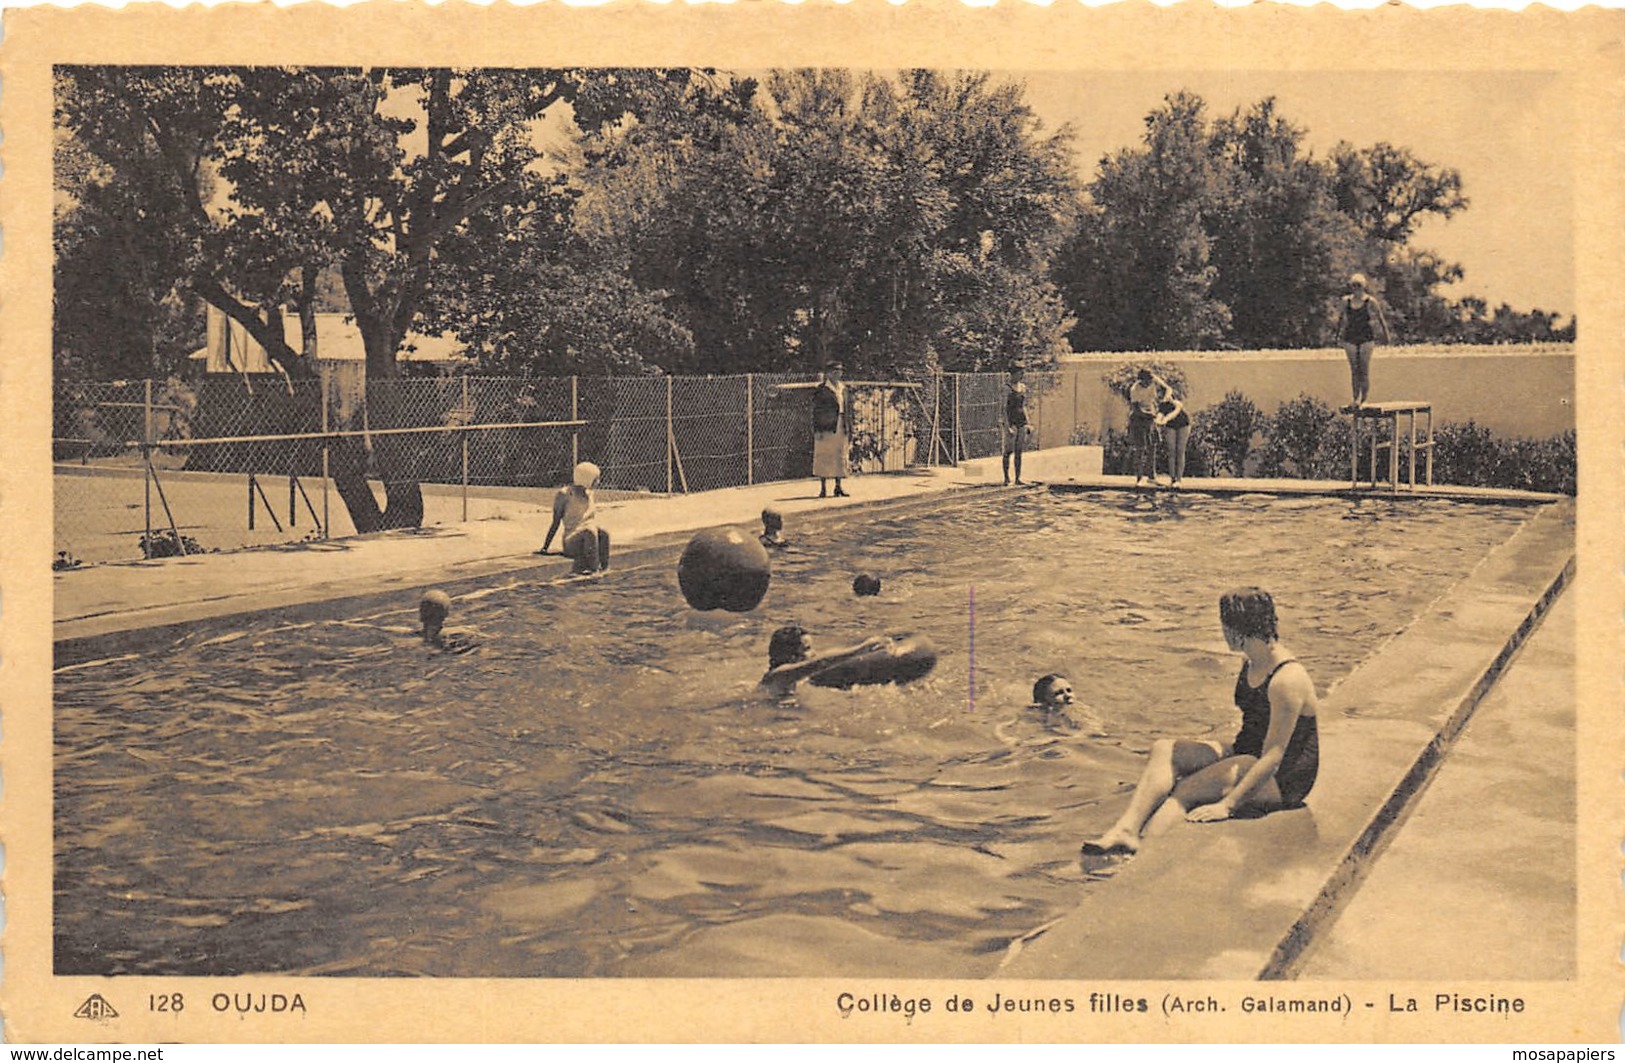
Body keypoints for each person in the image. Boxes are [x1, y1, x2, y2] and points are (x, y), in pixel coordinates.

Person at [1082, 587, 1319, 855]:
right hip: (1248, 753)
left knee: (1187, 789)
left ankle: (1144, 857)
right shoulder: (1252, 661)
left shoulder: (1286, 679)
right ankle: (1126, 829)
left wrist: (1227, 805)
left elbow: (1273, 756)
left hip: (1284, 779)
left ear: (1236, 630)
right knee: (1165, 749)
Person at [758, 625, 937, 696]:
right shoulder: (777, 677)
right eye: (807, 650)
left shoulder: (801, 683)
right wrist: (861, 648)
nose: (814, 653)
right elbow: (819, 662)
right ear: (789, 656)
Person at [538, 461, 611, 575]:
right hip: (571, 540)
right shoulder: (565, 494)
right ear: (587, 478)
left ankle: (605, 568)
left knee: (604, 532)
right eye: (596, 479)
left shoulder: (589, 494)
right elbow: (556, 521)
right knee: (589, 532)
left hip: (589, 539)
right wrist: (545, 547)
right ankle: (594, 570)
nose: (599, 482)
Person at [1338, 273, 1392, 407]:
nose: (1356, 289)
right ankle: (1355, 398)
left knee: (1364, 368)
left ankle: (1364, 399)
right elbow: (1341, 319)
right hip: (1350, 336)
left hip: (1366, 336)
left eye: (1359, 286)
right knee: (1354, 369)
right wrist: (1338, 335)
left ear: (1363, 287)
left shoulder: (1370, 301)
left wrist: (1386, 335)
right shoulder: (1346, 301)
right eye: (1354, 286)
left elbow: (1380, 318)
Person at [810, 361, 850, 498]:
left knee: (840, 454)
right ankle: (823, 488)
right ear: (827, 373)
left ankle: (838, 487)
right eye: (834, 371)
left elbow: (848, 409)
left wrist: (848, 427)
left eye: (839, 371)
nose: (837, 374)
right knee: (825, 455)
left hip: (841, 423)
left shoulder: (843, 388)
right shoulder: (822, 389)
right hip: (826, 426)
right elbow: (816, 411)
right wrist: (818, 430)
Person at [1126, 368, 1166, 488]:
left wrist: (1157, 412)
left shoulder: (1153, 384)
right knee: (1140, 449)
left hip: (1150, 418)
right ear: (1141, 380)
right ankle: (1139, 477)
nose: (1149, 383)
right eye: (1147, 380)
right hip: (1139, 418)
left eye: (1150, 380)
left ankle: (1151, 476)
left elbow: (1158, 396)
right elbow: (1136, 409)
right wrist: (1150, 415)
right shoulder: (1135, 389)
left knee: (1152, 446)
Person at [1155, 390, 1192, 488]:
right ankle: (1172, 478)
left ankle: (1179, 479)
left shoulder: (1177, 403)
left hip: (1183, 425)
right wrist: (1158, 421)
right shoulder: (1162, 405)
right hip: (1170, 426)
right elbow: (1159, 415)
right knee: (1171, 451)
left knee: (1180, 450)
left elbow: (1174, 413)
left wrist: (1165, 420)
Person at [1003, 366, 1029, 486]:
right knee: (1009, 450)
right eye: (1019, 373)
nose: (1021, 376)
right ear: (1013, 374)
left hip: (1021, 421)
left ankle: (1018, 478)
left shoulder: (1023, 387)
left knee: (1019, 451)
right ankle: (1007, 478)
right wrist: (1007, 426)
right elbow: (1003, 409)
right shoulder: (1007, 388)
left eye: (1022, 374)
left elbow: (1024, 405)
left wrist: (1028, 422)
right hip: (1011, 421)